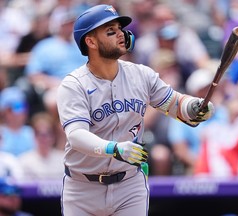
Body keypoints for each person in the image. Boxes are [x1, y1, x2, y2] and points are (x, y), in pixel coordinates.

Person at [56, 4, 214, 216]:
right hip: (83, 187)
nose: (121, 34)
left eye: (120, 29)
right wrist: (114, 148)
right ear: (90, 41)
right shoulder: (74, 84)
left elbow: (175, 104)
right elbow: (76, 136)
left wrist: (194, 107)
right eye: (111, 31)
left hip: (129, 185)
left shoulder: (141, 75)